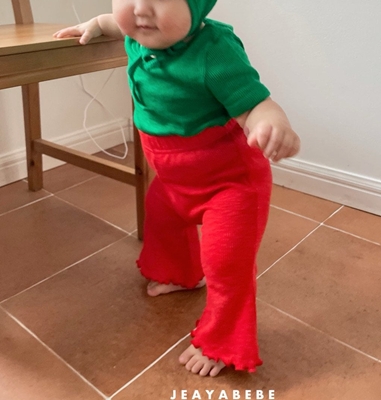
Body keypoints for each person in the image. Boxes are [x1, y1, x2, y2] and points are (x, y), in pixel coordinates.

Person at [54, 0, 300, 378]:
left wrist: (272, 123)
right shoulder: (140, 34)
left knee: (227, 267)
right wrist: (97, 24)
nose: (140, 10)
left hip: (230, 185)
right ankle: (183, 274)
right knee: (162, 221)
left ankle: (221, 342)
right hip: (174, 180)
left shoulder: (214, 50)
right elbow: (114, 22)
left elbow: (256, 104)